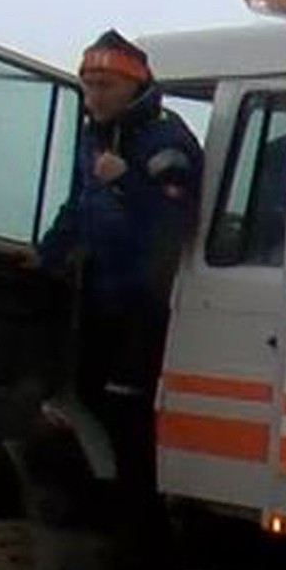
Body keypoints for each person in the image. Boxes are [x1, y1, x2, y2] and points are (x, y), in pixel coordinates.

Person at [38, 29, 202, 490]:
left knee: (128, 418)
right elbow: (78, 208)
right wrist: (45, 258)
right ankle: (93, 502)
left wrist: (126, 181)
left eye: (105, 85)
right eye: (88, 85)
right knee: (77, 408)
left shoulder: (166, 142)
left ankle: (137, 520)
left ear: (134, 85)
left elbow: (177, 223)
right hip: (99, 298)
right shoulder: (95, 138)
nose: (93, 96)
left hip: (147, 307)